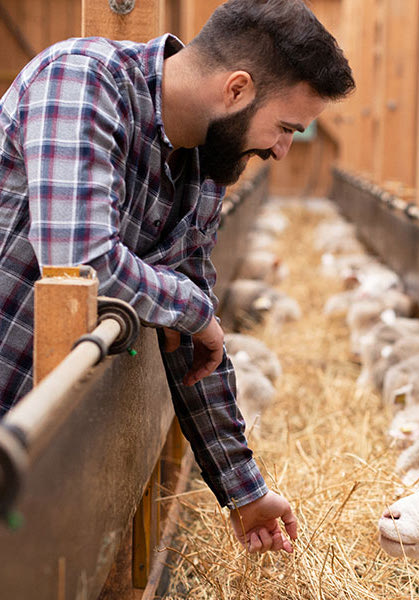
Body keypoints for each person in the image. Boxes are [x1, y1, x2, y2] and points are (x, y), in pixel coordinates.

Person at [0, 0, 354, 554]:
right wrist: (194, 310)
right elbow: (79, 262)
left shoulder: (203, 171)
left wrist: (245, 491)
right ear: (236, 89)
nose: (282, 151)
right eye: (285, 128)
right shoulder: (82, 81)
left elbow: (195, 345)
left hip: (38, 433)